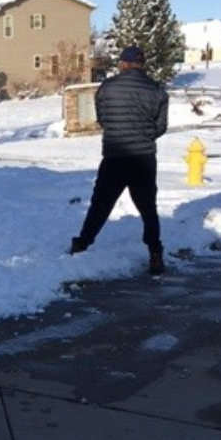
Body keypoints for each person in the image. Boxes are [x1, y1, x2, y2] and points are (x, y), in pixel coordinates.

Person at [70, 46, 169, 275]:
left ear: (123, 63)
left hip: (114, 155)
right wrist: (143, 135)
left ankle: (82, 244)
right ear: (142, 64)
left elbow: (102, 119)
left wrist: (118, 133)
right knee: (147, 207)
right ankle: (155, 252)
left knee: (101, 204)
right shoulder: (157, 90)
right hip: (144, 158)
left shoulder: (107, 88)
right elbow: (161, 127)